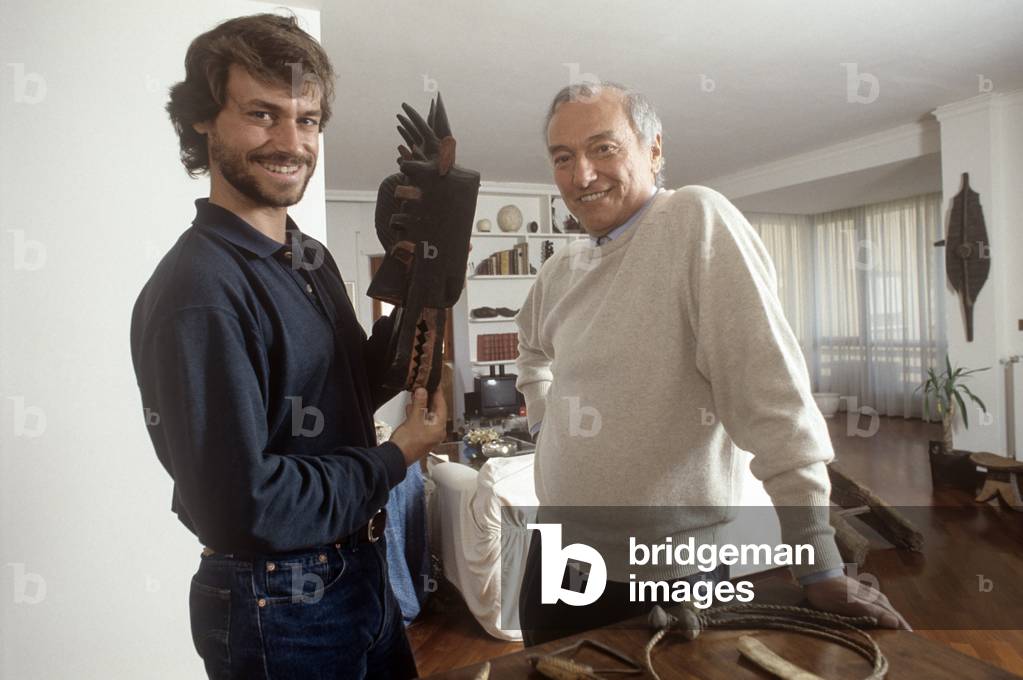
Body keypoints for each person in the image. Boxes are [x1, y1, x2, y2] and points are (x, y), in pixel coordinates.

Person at [515, 81, 909, 645]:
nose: (581, 175)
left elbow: (776, 401)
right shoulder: (560, 271)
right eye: (563, 158)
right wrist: (541, 418)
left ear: (653, 149)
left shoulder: (696, 221)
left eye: (603, 148)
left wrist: (818, 564)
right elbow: (530, 349)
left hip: (668, 576)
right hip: (555, 555)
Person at [130, 13, 444, 679]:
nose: (291, 141)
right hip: (278, 597)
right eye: (262, 114)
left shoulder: (307, 257)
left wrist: (416, 296)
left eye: (307, 120)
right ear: (201, 121)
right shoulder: (200, 289)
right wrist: (396, 456)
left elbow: (342, 383)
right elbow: (246, 503)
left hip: (359, 570)